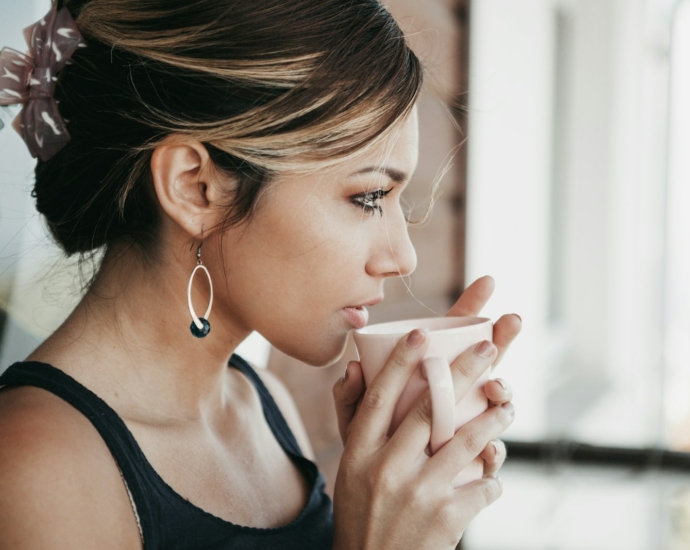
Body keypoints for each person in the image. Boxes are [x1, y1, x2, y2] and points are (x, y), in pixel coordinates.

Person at [0, 1, 521, 548]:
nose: (403, 258)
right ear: (194, 188)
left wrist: (399, 495)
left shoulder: (263, 405)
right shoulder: (38, 467)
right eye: (368, 197)